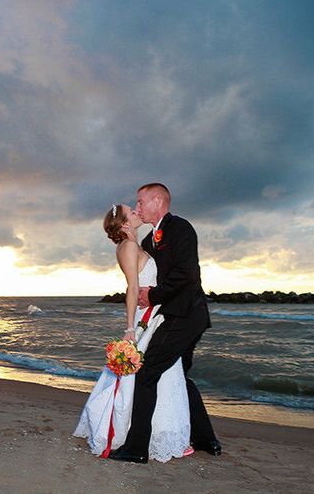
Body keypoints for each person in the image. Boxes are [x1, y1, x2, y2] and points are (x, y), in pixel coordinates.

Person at [108, 183, 220, 464]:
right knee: (180, 375)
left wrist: (153, 295)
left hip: (186, 316)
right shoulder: (147, 242)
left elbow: (187, 275)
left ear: (158, 201)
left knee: (146, 373)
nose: (138, 207)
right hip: (168, 317)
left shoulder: (180, 228)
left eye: (141, 202)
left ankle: (136, 448)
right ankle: (207, 439)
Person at [73, 203, 191, 462]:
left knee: (165, 373)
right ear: (125, 224)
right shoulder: (127, 247)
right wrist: (130, 329)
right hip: (145, 318)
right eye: (132, 211)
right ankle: (144, 435)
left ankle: (162, 433)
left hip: (157, 313)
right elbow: (132, 289)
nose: (138, 211)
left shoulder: (136, 245)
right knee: (149, 375)